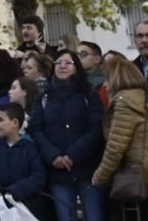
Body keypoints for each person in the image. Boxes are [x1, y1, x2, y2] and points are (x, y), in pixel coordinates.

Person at [91, 55, 148, 221]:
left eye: (107, 79)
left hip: (146, 175)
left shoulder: (125, 102)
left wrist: (100, 177)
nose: (105, 85)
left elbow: (116, 147)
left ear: (116, 78)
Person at [26, 49, 104, 221]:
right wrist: (53, 155)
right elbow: (36, 129)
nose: (62, 66)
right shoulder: (43, 97)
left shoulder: (89, 93)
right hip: (57, 172)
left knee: (94, 216)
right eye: (58, 62)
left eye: (68, 62)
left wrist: (73, 154)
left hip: (87, 169)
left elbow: (97, 128)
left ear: (76, 67)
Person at [0, 103, 46, 204]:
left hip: (27, 205)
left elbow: (38, 176)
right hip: (0, 206)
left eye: (1, 120)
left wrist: (15, 190)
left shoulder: (29, 149)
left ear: (15, 123)